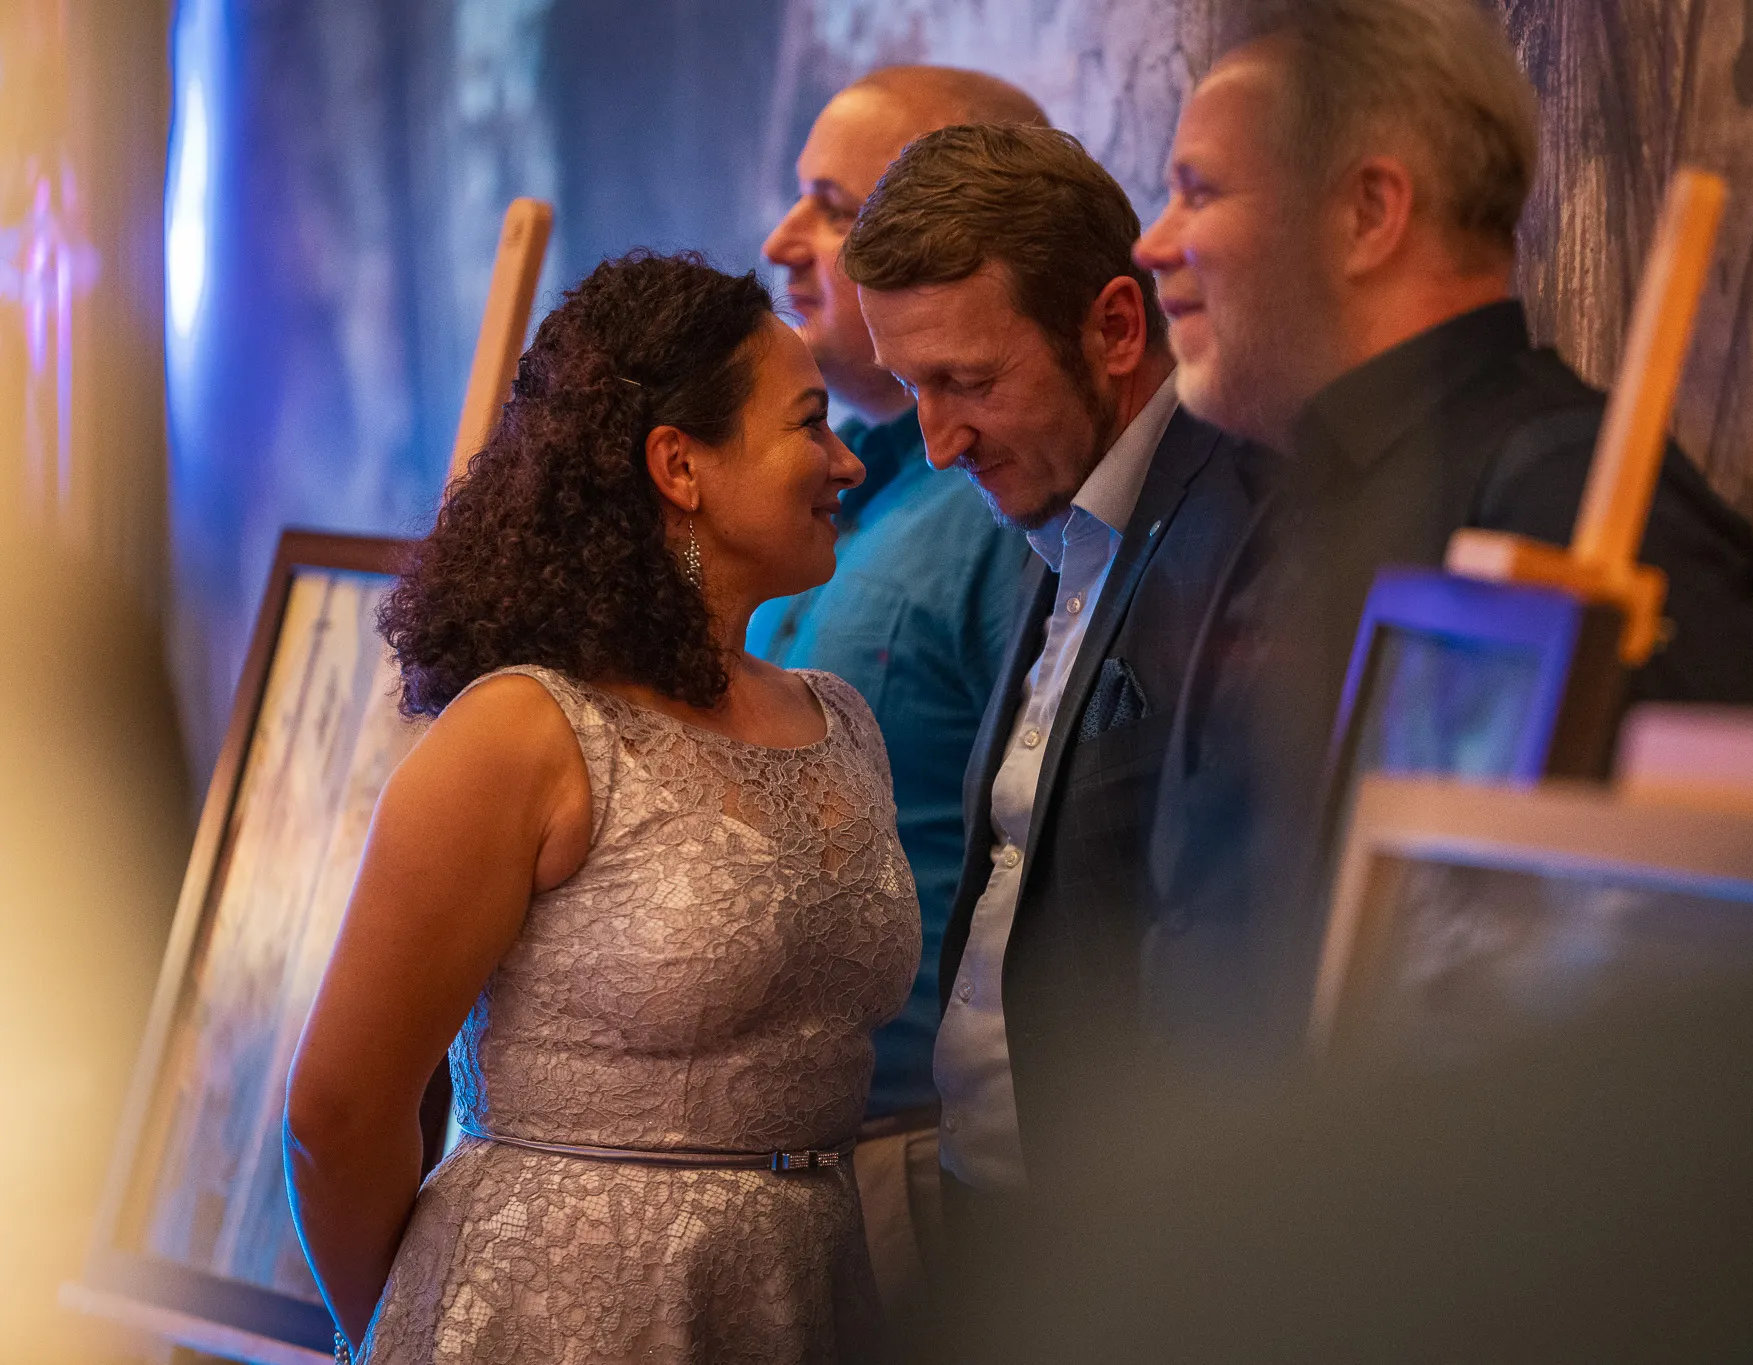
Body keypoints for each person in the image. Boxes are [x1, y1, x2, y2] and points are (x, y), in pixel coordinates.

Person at [283, 250, 919, 1363]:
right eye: (810, 425)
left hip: (810, 1298)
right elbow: (337, 1114)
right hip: (553, 1319)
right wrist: (408, 1328)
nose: (848, 461)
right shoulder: (524, 733)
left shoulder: (842, 720)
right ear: (680, 465)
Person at [1131, 0, 1753, 1055]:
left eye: (1198, 192)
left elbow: (1693, 1001)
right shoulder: (1306, 483)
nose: (1151, 242)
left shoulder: (1568, 503)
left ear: (1366, 213)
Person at [844, 125, 1263, 1223]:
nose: (939, 442)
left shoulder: (1243, 531)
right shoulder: (1056, 507)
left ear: (1115, 327)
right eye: (911, 387)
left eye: (968, 381)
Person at [753, 64, 1046, 1316]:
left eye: (833, 206)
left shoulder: (1009, 499)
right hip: (766, 1159)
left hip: (908, 1160)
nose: (783, 240)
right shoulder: (839, 477)